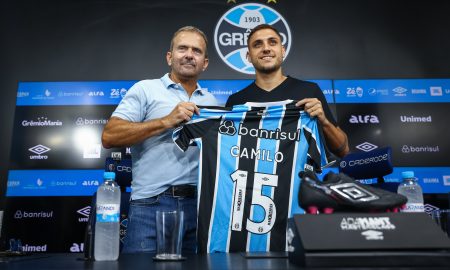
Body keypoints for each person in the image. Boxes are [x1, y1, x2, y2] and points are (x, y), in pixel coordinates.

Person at [102, 26, 218, 253]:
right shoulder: (145, 89)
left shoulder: (212, 101)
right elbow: (109, 136)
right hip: (151, 205)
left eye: (196, 51)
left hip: (200, 207)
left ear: (204, 63)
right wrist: (166, 121)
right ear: (169, 57)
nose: (188, 54)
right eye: (182, 48)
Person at [226, 24, 349, 157]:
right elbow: (227, 152)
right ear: (249, 56)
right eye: (257, 45)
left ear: (283, 51)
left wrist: (324, 122)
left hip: (301, 178)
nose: (266, 48)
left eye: (272, 42)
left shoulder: (309, 91)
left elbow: (343, 151)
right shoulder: (236, 101)